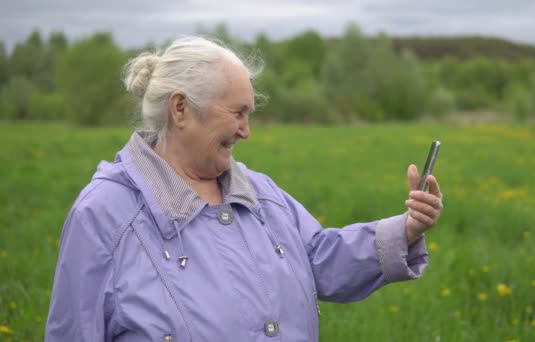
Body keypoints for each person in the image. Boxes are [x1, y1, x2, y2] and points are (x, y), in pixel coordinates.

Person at [45, 36, 443, 341]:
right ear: (180, 109)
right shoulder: (103, 215)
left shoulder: (260, 192)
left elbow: (319, 259)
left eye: (248, 114)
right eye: (237, 113)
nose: (246, 131)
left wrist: (406, 230)